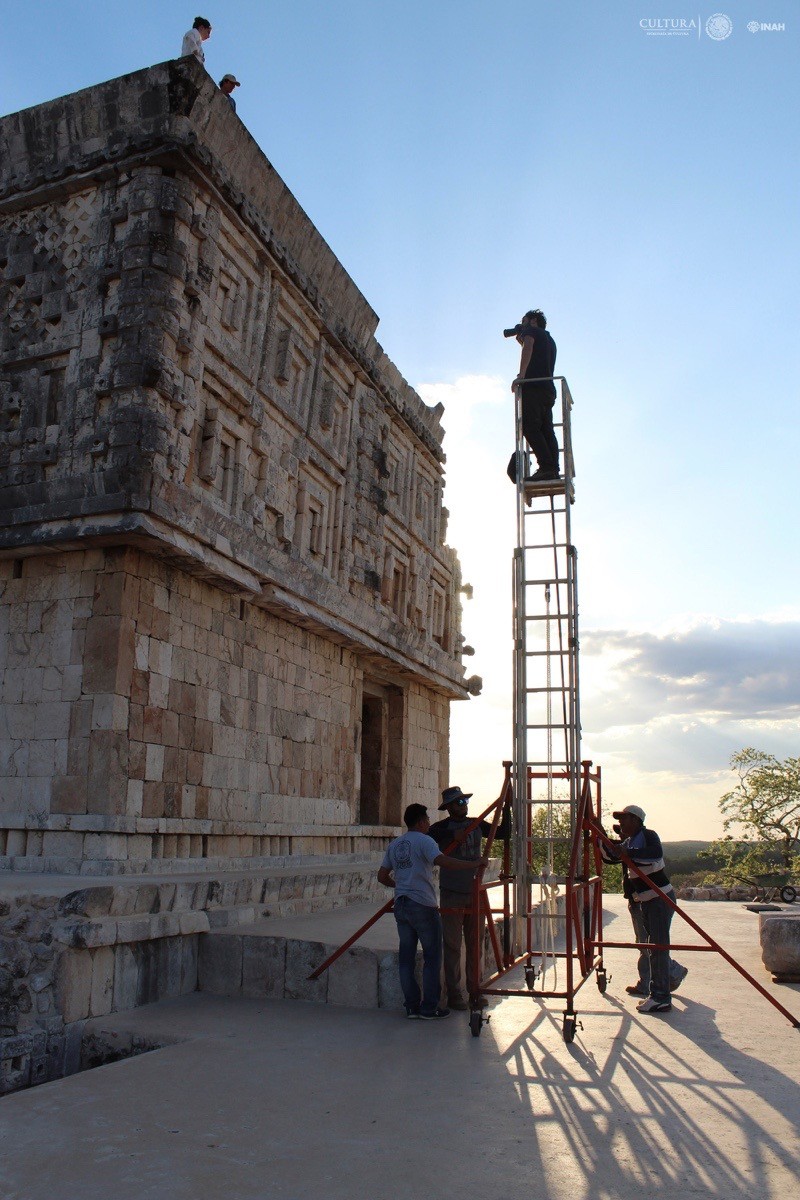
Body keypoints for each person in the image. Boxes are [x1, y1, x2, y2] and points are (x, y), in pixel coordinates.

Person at [378, 803, 488, 1020]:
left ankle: (411, 1006)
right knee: (432, 956)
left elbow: (382, 876)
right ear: (420, 821)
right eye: (427, 819)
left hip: (401, 904)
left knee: (406, 958)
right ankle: (430, 1007)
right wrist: (474, 864)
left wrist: (401, 886)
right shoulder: (425, 841)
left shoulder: (396, 844)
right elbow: (443, 861)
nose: (429, 822)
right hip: (422, 905)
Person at [601, 804, 687, 1014]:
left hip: (659, 899)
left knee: (657, 948)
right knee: (652, 947)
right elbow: (611, 855)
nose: (620, 823)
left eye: (624, 819)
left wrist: (625, 851)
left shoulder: (648, 836)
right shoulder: (630, 842)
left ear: (636, 820)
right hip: (649, 901)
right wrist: (598, 834)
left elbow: (654, 854)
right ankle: (658, 992)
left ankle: (660, 997)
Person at [429, 785, 502, 1010]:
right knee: (452, 945)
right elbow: (430, 836)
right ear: (449, 808)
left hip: (474, 891)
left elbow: (502, 832)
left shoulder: (477, 823)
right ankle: (454, 994)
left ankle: (475, 991)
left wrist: (507, 806)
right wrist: (453, 835)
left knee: (475, 943)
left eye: (464, 802)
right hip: (451, 891)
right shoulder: (440, 828)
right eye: (458, 803)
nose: (463, 806)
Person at [506, 309, 559, 484]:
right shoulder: (549, 338)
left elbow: (528, 347)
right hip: (547, 389)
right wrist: (521, 336)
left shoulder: (533, 332)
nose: (522, 324)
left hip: (534, 387)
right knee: (545, 429)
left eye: (524, 321)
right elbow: (533, 350)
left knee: (529, 427)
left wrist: (521, 376)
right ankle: (552, 469)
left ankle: (545, 467)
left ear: (533, 321)